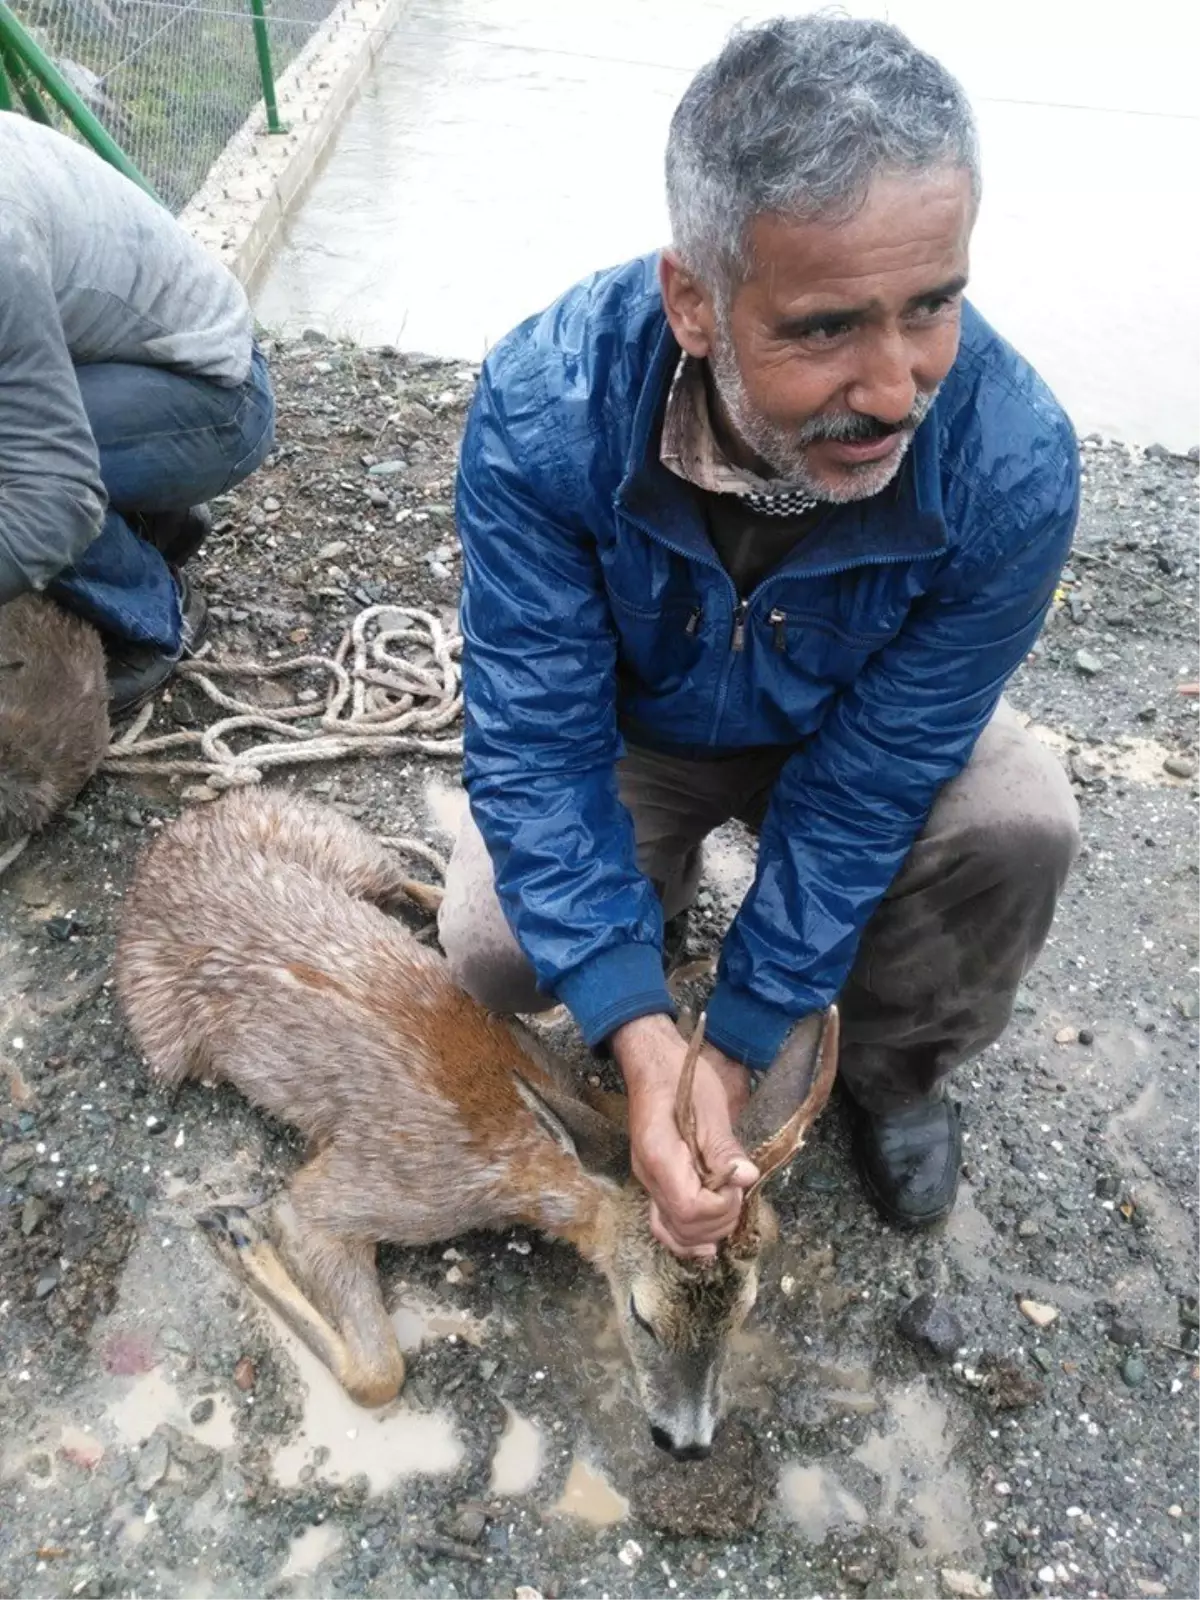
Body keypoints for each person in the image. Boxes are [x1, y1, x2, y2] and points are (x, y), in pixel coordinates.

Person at [439, 16, 1081, 1256]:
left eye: (933, 305)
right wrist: (639, 1028)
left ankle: (896, 1069)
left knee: (1021, 824)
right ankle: (644, 934)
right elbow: (536, 743)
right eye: (827, 328)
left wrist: (733, 1042)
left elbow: (875, 780)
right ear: (694, 299)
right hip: (646, 725)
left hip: (848, 717)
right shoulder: (545, 410)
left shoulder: (1014, 467)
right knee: (495, 943)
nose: (897, 389)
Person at [0, 113, 275, 714]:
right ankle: (157, 519)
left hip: (221, 401)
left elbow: (50, 493)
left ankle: (154, 614)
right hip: (140, 366)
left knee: (13, 469)